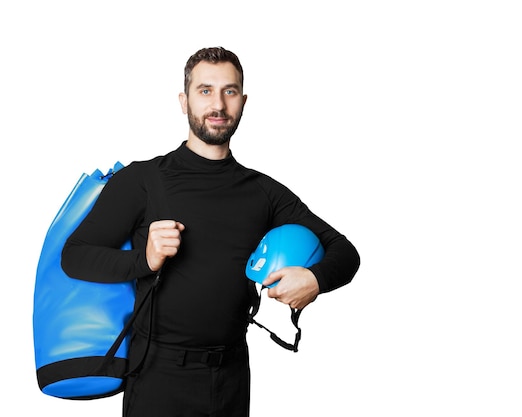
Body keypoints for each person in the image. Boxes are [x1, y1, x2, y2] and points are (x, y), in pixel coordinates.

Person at [61, 46, 360, 417]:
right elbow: (74, 256)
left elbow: (345, 252)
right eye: (205, 91)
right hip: (157, 377)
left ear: (243, 102)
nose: (217, 104)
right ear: (184, 101)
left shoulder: (263, 192)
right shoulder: (142, 180)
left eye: (229, 91)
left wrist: (315, 279)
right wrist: (145, 259)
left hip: (231, 377)